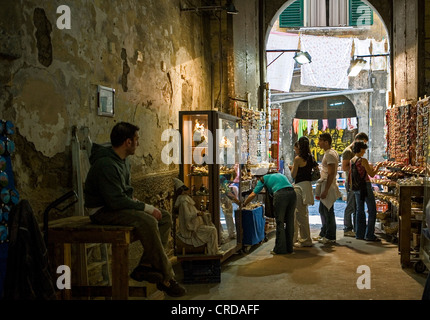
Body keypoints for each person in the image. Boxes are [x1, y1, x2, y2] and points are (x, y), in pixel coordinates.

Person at [84, 122, 186, 297]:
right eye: (137, 139)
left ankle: (145, 266)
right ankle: (167, 278)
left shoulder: (122, 161)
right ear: (128, 142)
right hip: (102, 211)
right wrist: (145, 208)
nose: (139, 143)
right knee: (147, 220)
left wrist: (138, 204)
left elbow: (124, 193)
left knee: (165, 217)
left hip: (115, 206)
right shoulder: (106, 164)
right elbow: (115, 201)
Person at [243, 169, 296, 254]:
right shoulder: (279, 175)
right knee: (290, 222)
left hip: (280, 195)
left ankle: (279, 249)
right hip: (292, 194)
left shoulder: (263, 179)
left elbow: (254, 194)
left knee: (280, 222)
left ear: (258, 177)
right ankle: (290, 248)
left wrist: (244, 203)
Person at [172, 178, 223, 255]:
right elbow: (187, 216)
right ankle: (213, 252)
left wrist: (200, 213)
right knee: (212, 230)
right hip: (192, 229)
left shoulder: (185, 200)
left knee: (211, 226)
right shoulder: (184, 201)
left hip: (196, 225)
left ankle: (213, 248)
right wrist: (197, 214)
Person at [350, 141, 382, 241]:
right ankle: (369, 235)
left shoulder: (352, 160)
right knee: (372, 209)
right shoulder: (363, 160)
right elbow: (371, 174)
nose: (364, 151)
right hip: (365, 186)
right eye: (364, 149)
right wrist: (378, 167)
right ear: (360, 149)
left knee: (360, 210)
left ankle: (359, 234)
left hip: (356, 187)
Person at [315, 133, 341, 245]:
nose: (318, 143)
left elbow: (331, 173)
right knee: (323, 210)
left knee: (328, 211)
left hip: (328, 185)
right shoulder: (330, 153)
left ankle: (330, 236)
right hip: (326, 184)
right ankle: (324, 233)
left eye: (320, 141)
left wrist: (326, 189)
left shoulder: (330, 154)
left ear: (326, 142)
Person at [290, 137, 317, 247]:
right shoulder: (311, 157)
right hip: (307, 186)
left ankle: (305, 239)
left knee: (300, 214)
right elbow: (316, 170)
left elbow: (293, 175)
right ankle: (303, 238)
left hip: (299, 187)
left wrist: (291, 168)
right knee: (304, 213)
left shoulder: (298, 159)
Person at [341, 132, 369, 238]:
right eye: (363, 143)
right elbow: (344, 167)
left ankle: (357, 228)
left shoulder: (356, 151)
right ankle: (347, 228)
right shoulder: (348, 152)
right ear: (358, 140)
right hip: (351, 182)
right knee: (351, 205)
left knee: (357, 206)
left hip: (357, 182)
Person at [220, 175, 240, 241]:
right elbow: (227, 192)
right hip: (223, 197)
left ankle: (221, 234)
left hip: (219, 197)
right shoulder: (222, 179)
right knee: (228, 215)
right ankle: (231, 233)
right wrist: (238, 202)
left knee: (217, 215)